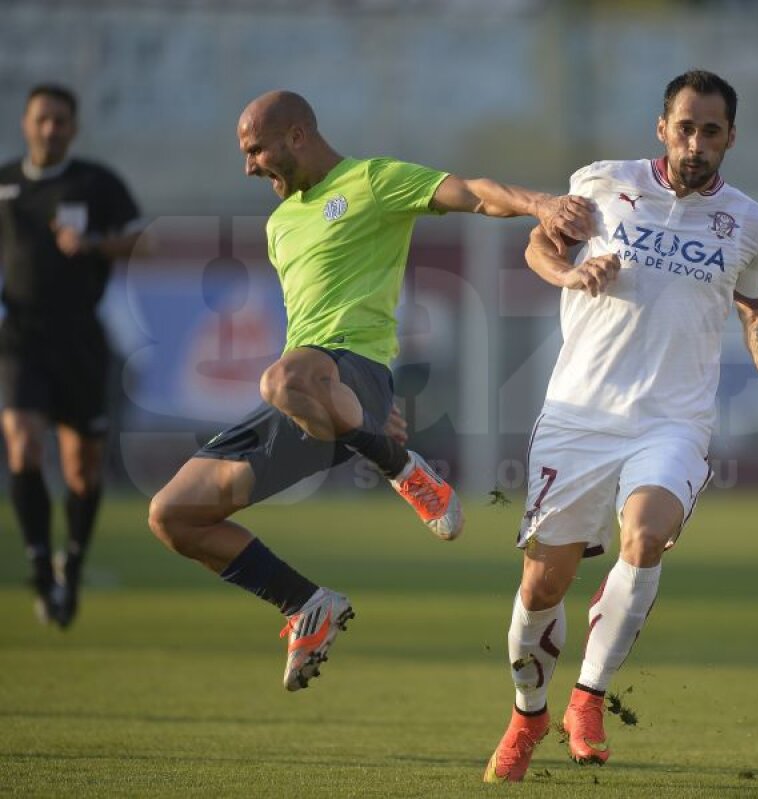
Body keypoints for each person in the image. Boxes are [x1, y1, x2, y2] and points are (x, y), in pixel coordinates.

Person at [147, 90, 594, 693]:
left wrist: (540, 204)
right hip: (315, 398)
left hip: (351, 372)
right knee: (173, 515)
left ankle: (399, 466)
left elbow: (473, 193)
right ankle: (304, 603)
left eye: (256, 150)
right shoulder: (281, 224)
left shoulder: (373, 181)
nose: (249, 166)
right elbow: (309, 320)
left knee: (281, 375)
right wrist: (345, 413)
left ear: (297, 136)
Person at [482, 70, 758, 782]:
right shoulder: (602, 182)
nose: (696, 142)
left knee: (647, 535)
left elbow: (756, 309)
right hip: (579, 415)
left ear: (732, 137)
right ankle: (528, 711)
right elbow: (538, 247)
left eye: (711, 130)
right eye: (685, 126)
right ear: (661, 127)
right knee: (542, 585)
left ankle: (588, 696)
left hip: (672, 420)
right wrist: (569, 275)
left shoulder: (752, 222)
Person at [0, 84, 144, 629]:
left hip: (80, 339)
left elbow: (143, 241)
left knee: (82, 471)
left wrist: (93, 246)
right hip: (20, 337)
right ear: (25, 123)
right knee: (22, 444)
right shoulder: (7, 183)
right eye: (42, 119)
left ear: (73, 128)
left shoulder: (95, 183)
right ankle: (39, 562)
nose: (50, 129)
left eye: (61, 121)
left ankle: (73, 564)